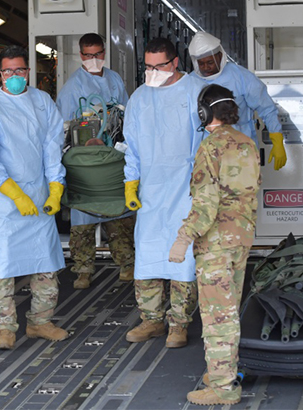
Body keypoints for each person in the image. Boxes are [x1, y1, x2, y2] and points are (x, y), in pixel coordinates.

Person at [0, 45, 69, 350]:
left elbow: (53, 147)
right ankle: (5, 327)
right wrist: (15, 194)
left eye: (20, 70)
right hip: (4, 202)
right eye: (8, 71)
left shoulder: (42, 102)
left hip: (39, 198)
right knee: (3, 266)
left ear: (28, 72)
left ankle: (40, 321)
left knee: (46, 261)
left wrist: (55, 187)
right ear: (0, 75)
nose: (15, 76)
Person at [169, 84, 260, 406]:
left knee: (217, 315)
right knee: (228, 309)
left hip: (216, 243)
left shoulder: (211, 147)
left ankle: (223, 388)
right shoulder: (248, 143)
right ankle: (222, 370)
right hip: (242, 238)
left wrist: (184, 237)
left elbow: (206, 203)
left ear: (205, 112)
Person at [122, 38, 206, 349]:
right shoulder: (140, 97)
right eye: (148, 66)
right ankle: (151, 320)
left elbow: (208, 141)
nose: (153, 72)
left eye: (159, 66)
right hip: (151, 191)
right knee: (147, 254)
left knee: (181, 257)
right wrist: (131, 182)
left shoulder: (195, 91)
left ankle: (179, 324)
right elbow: (131, 144)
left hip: (186, 188)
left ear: (174, 64)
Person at [55, 33, 136, 289]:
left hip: (112, 157)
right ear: (80, 56)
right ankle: (83, 270)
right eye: (88, 55)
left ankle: (127, 263)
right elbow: (64, 128)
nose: (94, 59)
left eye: (98, 54)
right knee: (83, 213)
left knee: (117, 208)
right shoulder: (72, 88)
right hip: (85, 160)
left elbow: (126, 115)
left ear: (104, 53)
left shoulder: (114, 79)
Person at [188, 31, 287, 170]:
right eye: (201, 63)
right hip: (205, 158)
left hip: (241, 153)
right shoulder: (190, 82)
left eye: (210, 62)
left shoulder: (241, 77)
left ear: (220, 55)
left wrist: (277, 139)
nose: (206, 68)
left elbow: (266, 108)